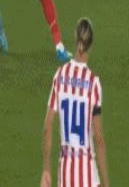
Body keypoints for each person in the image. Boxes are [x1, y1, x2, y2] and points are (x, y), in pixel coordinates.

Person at [40, 18, 109, 187]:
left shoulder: (60, 76)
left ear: (75, 38)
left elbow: (47, 126)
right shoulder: (93, 84)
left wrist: (46, 169)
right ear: (90, 46)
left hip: (65, 177)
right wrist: (106, 184)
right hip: (87, 177)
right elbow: (99, 139)